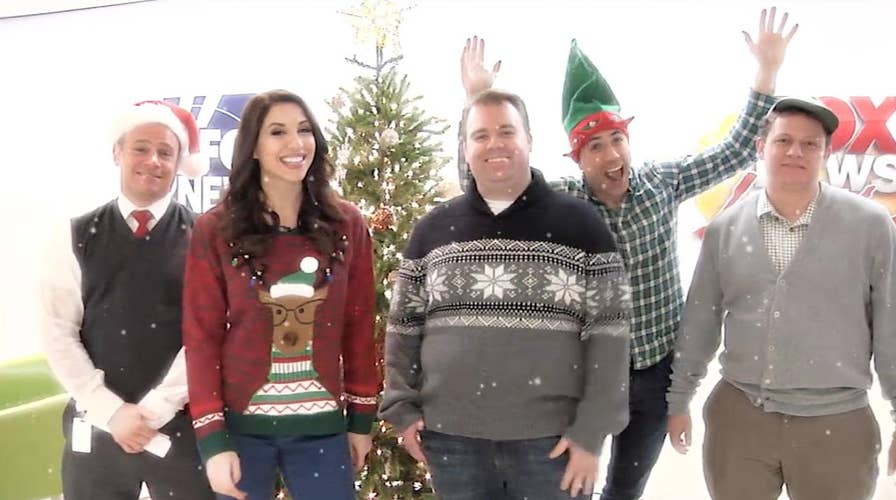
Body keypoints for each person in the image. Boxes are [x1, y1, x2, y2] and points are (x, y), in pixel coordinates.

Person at [455, 8, 796, 499]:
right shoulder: (563, 204)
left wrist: (766, 72)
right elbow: (487, 190)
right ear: (577, 157)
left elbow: (737, 148)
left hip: (655, 374)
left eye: (617, 139)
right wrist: (478, 100)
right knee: (574, 487)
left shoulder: (662, 182)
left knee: (626, 489)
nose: (612, 155)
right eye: (595, 146)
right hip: (584, 380)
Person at [380, 88, 632, 499]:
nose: (494, 144)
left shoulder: (582, 226)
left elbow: (610, 338)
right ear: (465, 148)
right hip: (452, 442)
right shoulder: (432, 231)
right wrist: (403, 410)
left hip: (553, 446)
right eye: (480, 135)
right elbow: (403, 328)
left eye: (506, 131)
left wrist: (591, 433)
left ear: (528, 140)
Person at [666, 96, 896, 500]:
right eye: (784, 140)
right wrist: (679, 398)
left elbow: (891, 327)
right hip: (740, 422)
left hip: (838, 425)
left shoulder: (870, 226)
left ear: (826, 153)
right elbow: (700, 322)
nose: (796, 151)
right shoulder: (726, 229)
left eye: (810, 144)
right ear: (761, 148)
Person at [182, 89, 378, 500]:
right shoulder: (215, 230)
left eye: (304, 130)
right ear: (252, 146)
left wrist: (361, 420)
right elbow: (201, 339)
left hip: (323, 433)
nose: (295, 144)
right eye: (277, 132)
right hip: (241, 435)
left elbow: (358, 327)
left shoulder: (347, 225)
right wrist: (213, 441)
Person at [38, 100, 214, 499]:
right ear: (117, 152)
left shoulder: (207, 237)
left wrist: (154, 411)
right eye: (140, 147)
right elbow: (57, 333)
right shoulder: (73, 235)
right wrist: (111, 412)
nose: (152, 160)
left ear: (178, 162)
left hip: (184, 430)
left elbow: (208, 333)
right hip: (96, 429)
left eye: (165, 152)